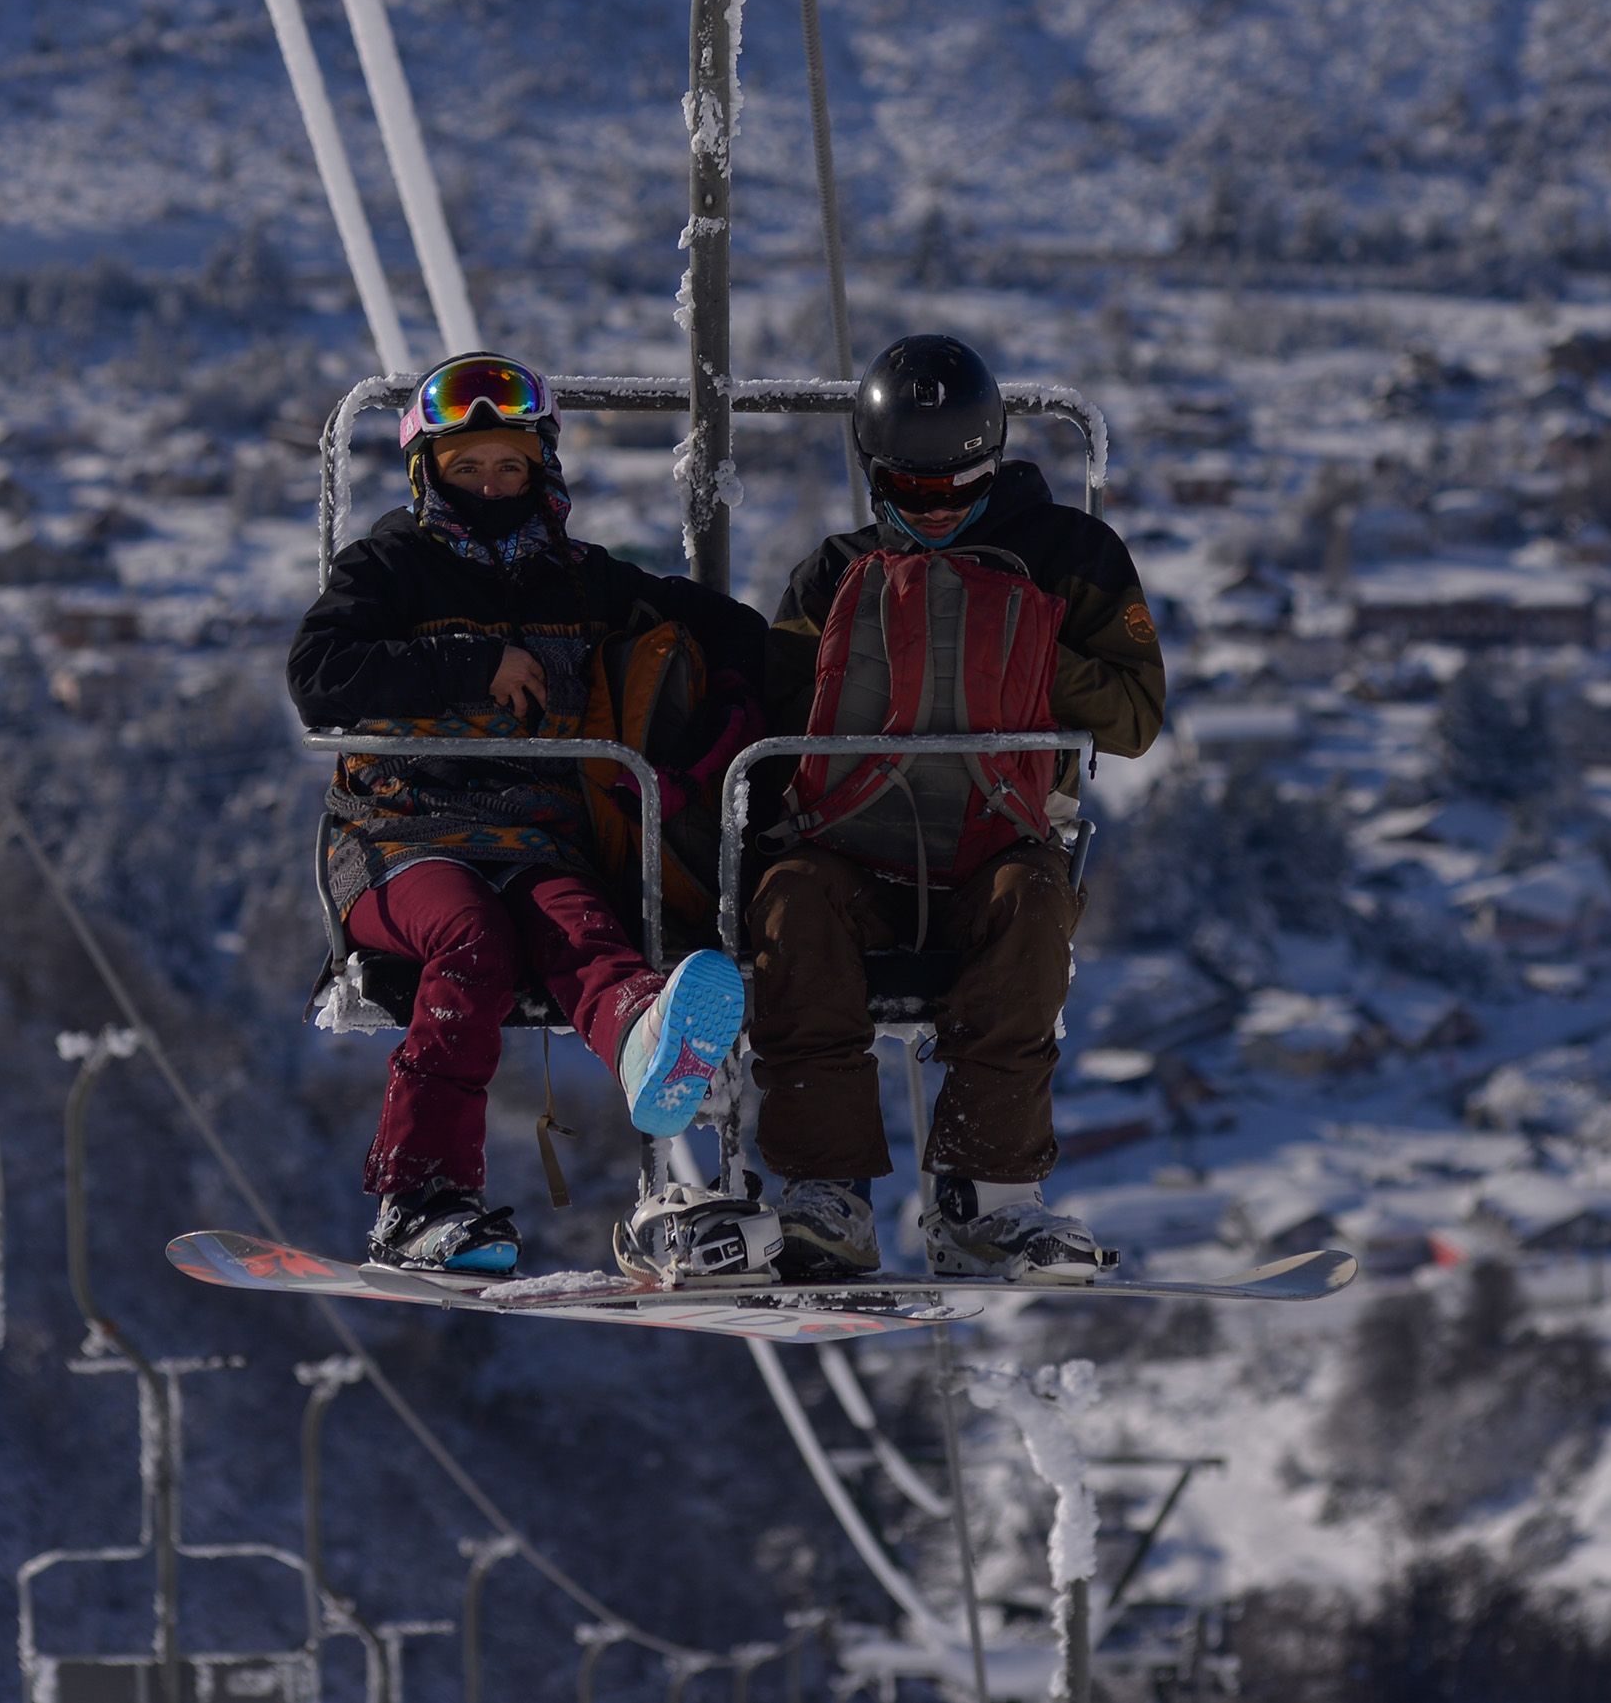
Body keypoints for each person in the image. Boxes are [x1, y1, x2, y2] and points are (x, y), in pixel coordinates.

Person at [289, 353, 767, 1276]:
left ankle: (645, 1041)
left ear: (540, 468)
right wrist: (470, 665)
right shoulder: (389, 568)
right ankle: (419, 1197)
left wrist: (720, 720)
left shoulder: (579, 581)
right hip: (399, 839)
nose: (490, 485)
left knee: (584, 931)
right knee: (472, 940)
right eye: (466, 467)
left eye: (509, 466)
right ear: (428, 473)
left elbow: (733, 630)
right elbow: (318, 675)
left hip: (536, 837)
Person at [750, 334, 1165, 1282]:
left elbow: (1135, 716)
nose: (934, 509)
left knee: (1032, 904)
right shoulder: (835, 574)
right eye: (910, 489)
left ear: (995, 462)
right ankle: (825, 1192)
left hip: (997, 844)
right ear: (875, 475)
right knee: (790, 903)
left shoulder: (1071, 556)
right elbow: (773, 720)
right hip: (853, 852)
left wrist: (1012, 643)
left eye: (958, 488)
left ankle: (988, 1195)